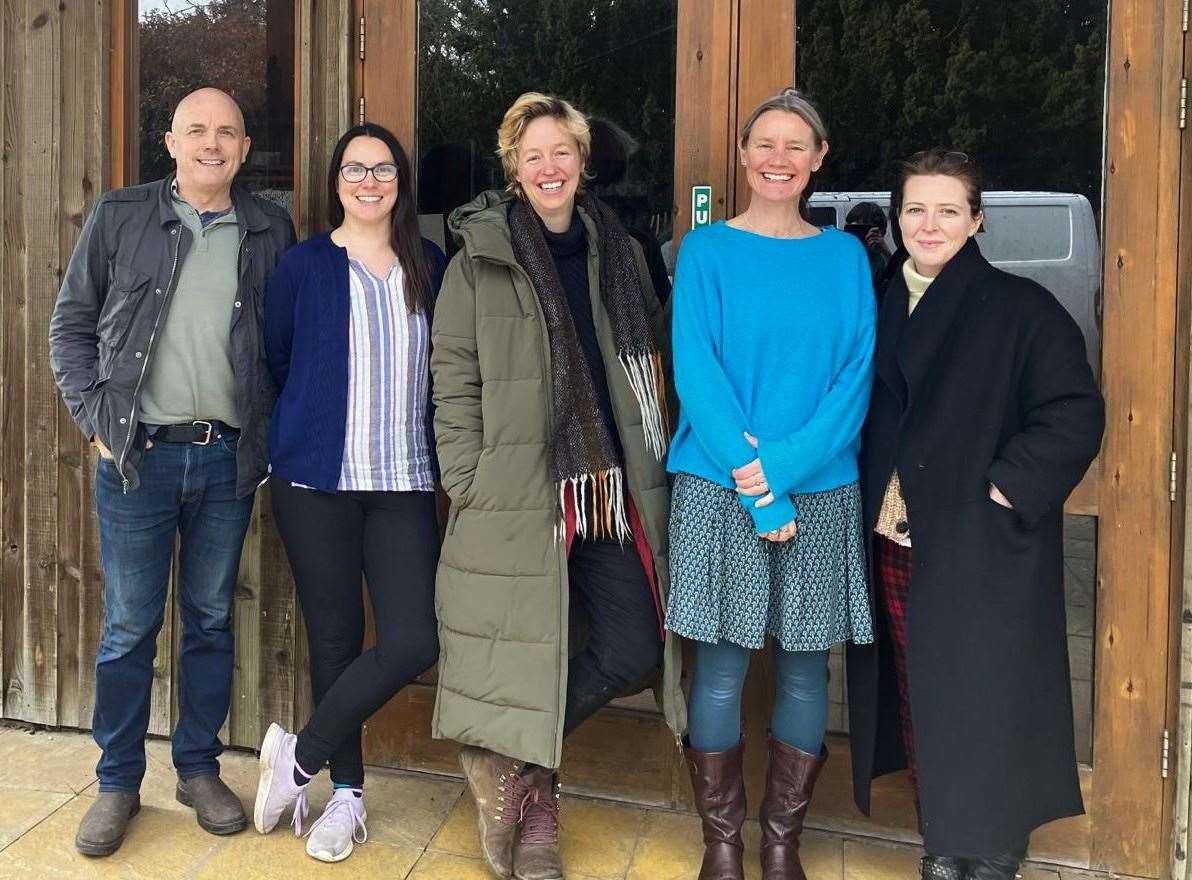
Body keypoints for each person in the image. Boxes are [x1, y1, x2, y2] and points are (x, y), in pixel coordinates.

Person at [430, 92, 684, 880]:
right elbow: (453, 374)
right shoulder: (480, 254)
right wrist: (468, 475)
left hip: (607, 490)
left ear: (583, 162)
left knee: (635, 644)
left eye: (562, 152)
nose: (549, 167)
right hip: (515, 491)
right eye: (532, 154)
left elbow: (652, 369)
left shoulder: (624, 250)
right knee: (522, 650)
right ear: (514, 167)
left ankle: (512, 767)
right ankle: (538, 807)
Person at [48, 87, 295, 856]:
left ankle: (197, 767)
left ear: (246, 149)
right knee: (128, 626)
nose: (211, 143)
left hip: (224, 458)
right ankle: (118, 780)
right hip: (138, 459)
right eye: (197, 130)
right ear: (171, 141)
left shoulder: (269, 228)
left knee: (213, 618)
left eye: (227, 132)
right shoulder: (122, 216)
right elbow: (71, 325)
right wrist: (95, 421)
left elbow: (282, 345)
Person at [846, 148, 1105, 880]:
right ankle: (944, 839)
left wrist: (1006, 488)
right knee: (920, 693)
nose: (929, 225)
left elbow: (1073, 413)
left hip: (982, 541)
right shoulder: (879, 298)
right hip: (896, 537)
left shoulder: (1021, 308)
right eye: (916, 209)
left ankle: (991, 846)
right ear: (898, 218)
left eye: (948, 209)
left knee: (986, 694)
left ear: (977, 219)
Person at [666, 87, 876, 880]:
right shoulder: (707, 251)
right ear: (744, 155)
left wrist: (780, 474)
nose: (779, 159)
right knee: (717, 665)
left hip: (819, 490)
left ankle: (780, 841)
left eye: (797, 145)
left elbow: (853, 382)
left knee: (802, 666)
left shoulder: (846, 258)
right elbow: (698, 373)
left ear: (819, 158)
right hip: (719, 489)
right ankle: (722, 844)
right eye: (765, 144)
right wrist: (761, 490)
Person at [249, 123, 447, 863]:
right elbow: (277, 358)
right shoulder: (303, 266)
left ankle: (296, 760)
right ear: (335, 182)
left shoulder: (429, 262)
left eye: (384, 168)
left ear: (401, 181)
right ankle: (346, 798)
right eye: (356, 169)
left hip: (402, 482)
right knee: (333, 640)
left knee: (410, 641)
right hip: (316, 482)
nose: (370, 181)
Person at [844, 201, 893, 286]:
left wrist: (884, 251)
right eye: (854, 229)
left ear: (881, 232)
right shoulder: (844, 256)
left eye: (864, 229)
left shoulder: (881, 260)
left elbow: (897, 282)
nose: (859, 234)